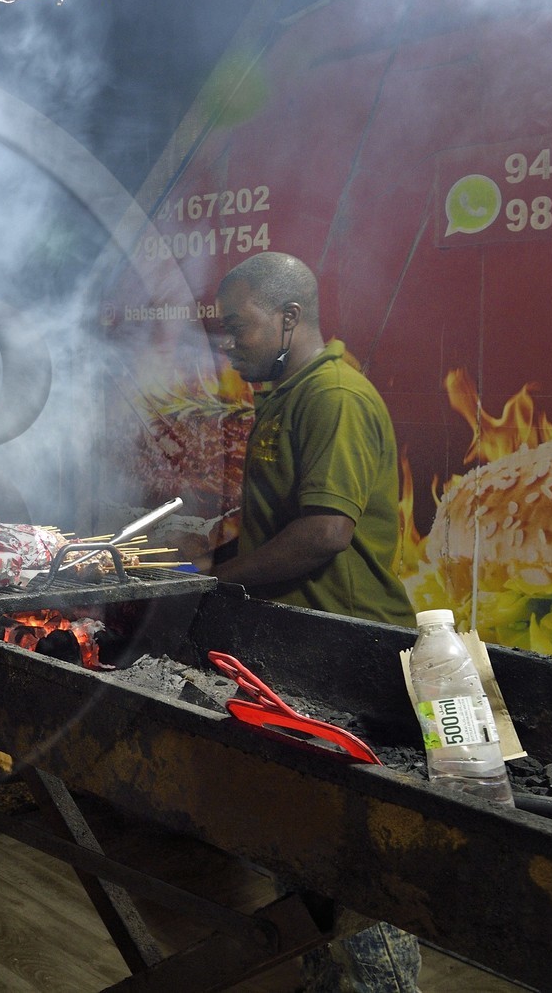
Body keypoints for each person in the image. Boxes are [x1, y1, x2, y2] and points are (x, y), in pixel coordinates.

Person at [207, 252, 420, 990]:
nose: (227, 343)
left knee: (358, 860)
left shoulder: (332, 394)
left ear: (289, 319)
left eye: (239, 326)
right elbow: (287, 522)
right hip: (302, 648)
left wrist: (218, 585)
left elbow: (326, 531)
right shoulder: (283, 392)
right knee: (311, 846)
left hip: (352, 648)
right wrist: (214, 559)